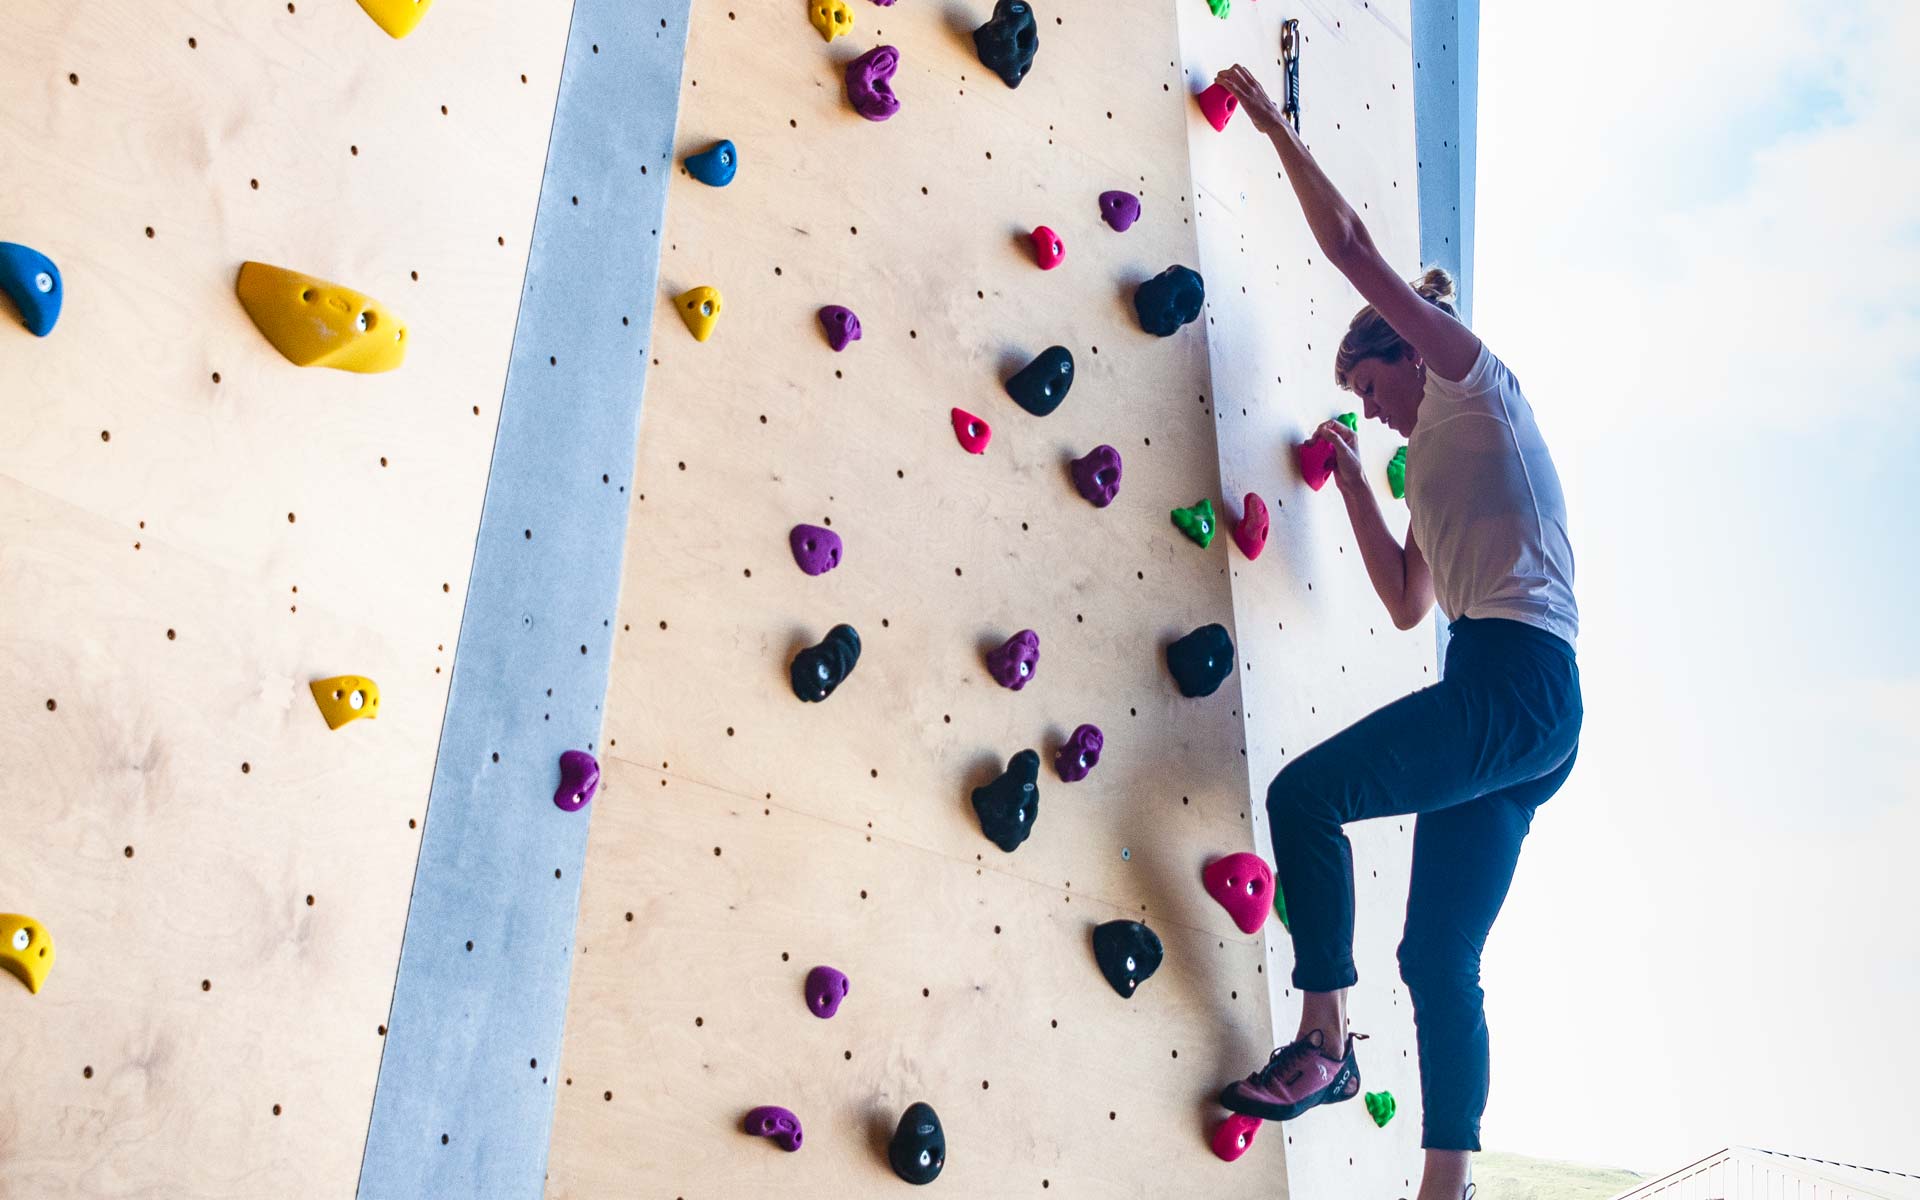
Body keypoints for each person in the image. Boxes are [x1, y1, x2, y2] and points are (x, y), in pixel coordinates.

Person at [1207, 64, 1583, 1200]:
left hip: (1516, 683)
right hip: (1522, 704)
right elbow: (1409, 602)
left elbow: (1354, 248)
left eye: (1370, 388)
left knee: (1305, 798)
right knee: (1436, 958)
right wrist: (1358, 483)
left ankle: (1324, 1043)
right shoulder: (1426, 464)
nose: (1371, 409)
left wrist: (1275, 125)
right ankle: (1447, 1186)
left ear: (1409, 352)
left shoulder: (1475, 385)